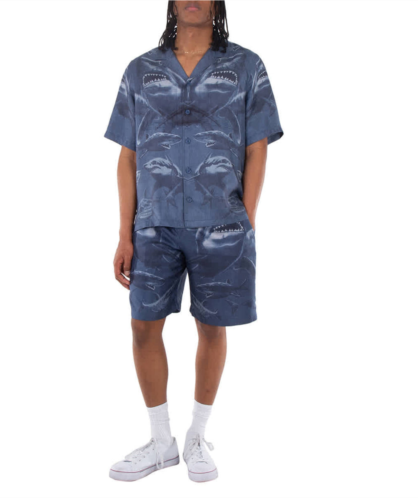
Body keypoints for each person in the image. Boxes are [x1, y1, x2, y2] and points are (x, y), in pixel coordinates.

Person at [104, 0, 283, 483]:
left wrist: (245, 219)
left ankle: (197, 436)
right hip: (153, 225)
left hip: (221, 224)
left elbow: (257, 148)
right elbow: (127, 156)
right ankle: (160, 441)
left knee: (212, 326)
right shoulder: (140, 71)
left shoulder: (246, 66)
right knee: (143, 326)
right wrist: (124, 231)